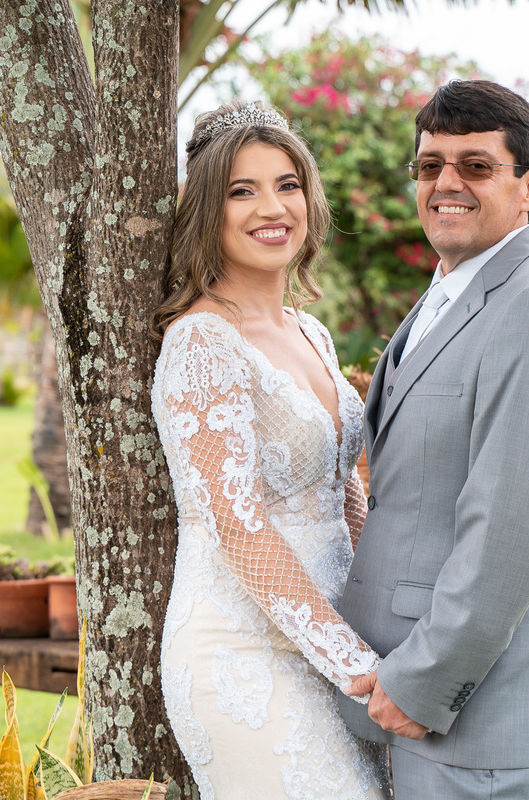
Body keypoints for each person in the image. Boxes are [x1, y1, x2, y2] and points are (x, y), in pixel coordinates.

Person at [337, 79, 529, 799]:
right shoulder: (449, 292)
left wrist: (423, 681)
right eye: (430, 166)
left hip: (487, 724)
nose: (446, 183)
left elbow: (510, 530)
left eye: (475, 166)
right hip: (423, 718)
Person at [149, 99, 389, 800]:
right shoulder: (201, 342)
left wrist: (387, 619)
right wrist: (352, 662)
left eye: (286, 184)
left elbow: (341, 486)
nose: (271, 207)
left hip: (339, 638)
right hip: (242, 652)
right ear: (207, 212)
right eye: (241, 191)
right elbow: (237, 524)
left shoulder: (310, 333)